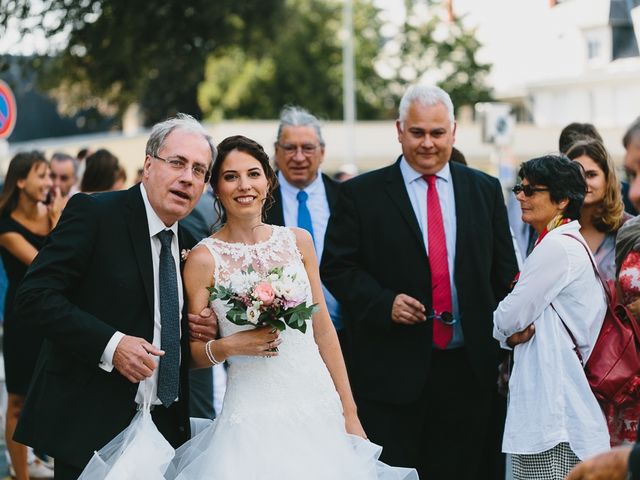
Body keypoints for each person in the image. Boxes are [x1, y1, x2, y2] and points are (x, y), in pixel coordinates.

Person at [168, 135, 417, 480]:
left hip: (317, 405)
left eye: (254, 174)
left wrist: (349, 411)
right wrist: (229, 345)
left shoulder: (298, 241)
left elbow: (323, 330)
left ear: (268, 181)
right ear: (216, 187)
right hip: (252, 415)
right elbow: (191, 356)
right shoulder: (202, 258)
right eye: (231, 176)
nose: (244, 186)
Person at [320, 84, 518, 479]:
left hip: (469, 371)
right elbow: (337, 268)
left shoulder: (484, 189)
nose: (428, 143)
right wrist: (383, 302)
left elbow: (504, 275)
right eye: (417, 133)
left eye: (437, 133)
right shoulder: (360, 194)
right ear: (399, 130)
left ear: (454, 131)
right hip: (391, 374)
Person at [12, 114, 217, 480]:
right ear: (149, 165)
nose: (188, 177)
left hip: (164, 431)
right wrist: (112, 345)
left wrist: (200, 326)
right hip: (91, 428)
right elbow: (35, 296)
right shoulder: (94, 213)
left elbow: (163, 319)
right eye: (178, 163)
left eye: (199, 170)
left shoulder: (190, 242)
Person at [493, 154, 610, 479]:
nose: (520, 196)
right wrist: (508, 331)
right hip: (555, 411)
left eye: (531, 191)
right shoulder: (565, 243)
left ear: (561, 200)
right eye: (519, 187)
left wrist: (503, 331)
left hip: (551, 416)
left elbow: (507, 317)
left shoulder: (557, 248)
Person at [0, 151, 63, 480]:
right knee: (17, 401)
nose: (49, 183)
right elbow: (44, 264)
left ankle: (53, 464)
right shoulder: (6, 225)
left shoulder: (52, 212)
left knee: (55, 392)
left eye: (50, 175)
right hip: (22, 318)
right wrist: (56, 223)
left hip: (54, 314)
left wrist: (55, 219)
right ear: (21, 181)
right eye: (42, 175)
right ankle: (20, 474)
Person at [265, 106, 344, 348]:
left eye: (307, 148)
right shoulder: (258, 203)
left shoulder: (346, 199)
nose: (299, 157)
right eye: (290, 148)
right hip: (281, 339)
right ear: (276, 151)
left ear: (322, 152)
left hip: (347, 334)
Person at [565, 138, 628, 283]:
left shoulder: (627, 229)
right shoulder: (556, 228)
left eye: (591, 175)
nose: (583, 182)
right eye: (576, 175)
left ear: (608, 179)